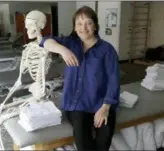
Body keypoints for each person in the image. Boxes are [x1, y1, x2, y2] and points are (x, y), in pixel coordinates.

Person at [39, 6, 120, 151]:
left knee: (103, 141)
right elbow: (45, 40)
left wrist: (105, 107)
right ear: (75, 27)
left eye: (88, 23)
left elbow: (113, 80)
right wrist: (63, 51)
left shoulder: (107, 50)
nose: (84, 27)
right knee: (83, 142)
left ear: (95, 25)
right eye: (79, 24)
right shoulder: (70, 43)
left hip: (101, 103)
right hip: (76, 104)